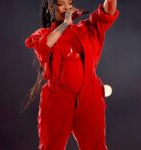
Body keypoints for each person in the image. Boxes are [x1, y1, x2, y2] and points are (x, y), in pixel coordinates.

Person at [24, 0, 119, 149]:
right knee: (50, 146)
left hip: (90, 96)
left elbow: (107, 13)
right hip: (57, 99)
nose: (67, 8)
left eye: (69, 3)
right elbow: (44, 46)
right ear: (51, 7)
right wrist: (65, 24)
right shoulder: (43, 34)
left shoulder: (86, 29)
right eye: (62, 4)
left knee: (96, 146)